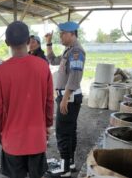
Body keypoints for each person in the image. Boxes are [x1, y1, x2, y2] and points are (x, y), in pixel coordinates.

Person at [0, 21, 54, 178]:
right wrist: (47, 125)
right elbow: (49, 102)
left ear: (7, 43)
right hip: (36, 139)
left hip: (13, 141)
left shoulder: (0, 72)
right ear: (28, 41)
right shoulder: (43, 67)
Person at [45, 21, 85, 177]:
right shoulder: (69, 50)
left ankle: (65, 168)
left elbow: (75, 76)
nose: (60, 36)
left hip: (69, 97)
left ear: (72, 34)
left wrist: (65, 98)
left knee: (62, 132)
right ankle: (70, 163)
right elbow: (53, 60)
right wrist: (49, 43)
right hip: (67, 96)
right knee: (69, 132)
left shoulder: (76, 52)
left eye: (63, 33)